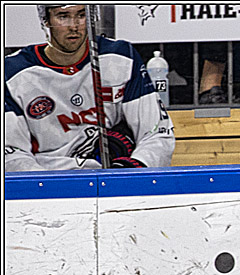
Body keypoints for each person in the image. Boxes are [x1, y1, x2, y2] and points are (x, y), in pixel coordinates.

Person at [4, 4, 174, 171]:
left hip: (111, 177)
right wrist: (47, 187)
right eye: (63, 17)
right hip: (49, 180)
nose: (74, 26)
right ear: (45, 20)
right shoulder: (13, 73)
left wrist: (127, 171)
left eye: (81, 15)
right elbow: (11, 152)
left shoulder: (120, 57)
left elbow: (156, 132)